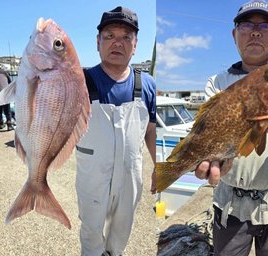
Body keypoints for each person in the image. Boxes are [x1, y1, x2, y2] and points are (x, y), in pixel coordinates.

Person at [195, 1, 268, 255]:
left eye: (266, 25)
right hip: (229, 202)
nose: (256, 31)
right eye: (247, 24)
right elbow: (208, 129)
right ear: (234, 34)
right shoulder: (217, 82)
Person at [75, 6, 156, 256]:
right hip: (92, 174)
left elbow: (150, 129)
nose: (117, 43)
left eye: (125, 37)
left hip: (130, 174)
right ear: (98, 42)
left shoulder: (147, 83)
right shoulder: (79, 81)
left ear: (135, 44)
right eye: (110, 36)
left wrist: (159, 168)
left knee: (122, 229)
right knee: (91, 230)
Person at [0, 64, 14, 131]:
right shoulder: (4, 72)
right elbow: (10, 83)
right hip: (5, 93)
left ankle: (1, 124)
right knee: (7, 110)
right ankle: (9, 125)